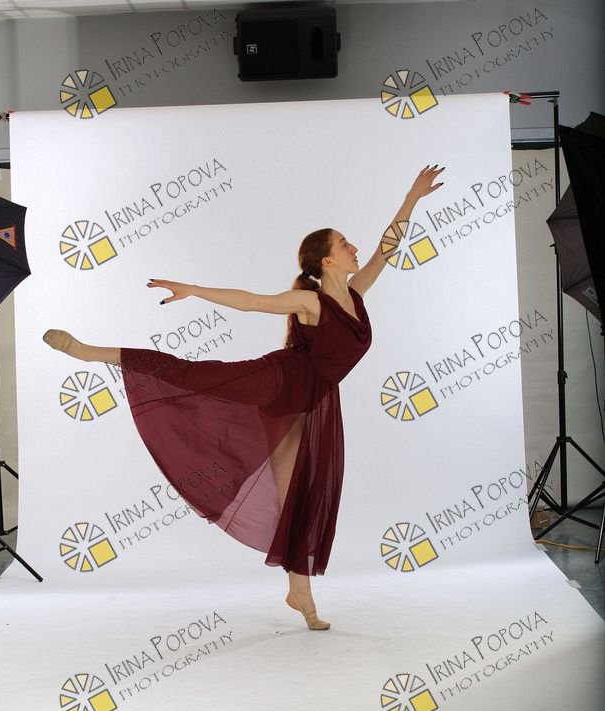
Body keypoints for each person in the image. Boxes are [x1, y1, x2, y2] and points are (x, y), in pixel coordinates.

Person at [44, 165, 444, 630]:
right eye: (344, 244)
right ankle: (90, 351)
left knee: (300, 496)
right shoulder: (312, 303)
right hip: (280, 381)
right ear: (327, 261)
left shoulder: (356, 293)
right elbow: (252, 301)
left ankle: (299, 593)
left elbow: (387, 248)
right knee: (194, 375)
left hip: (313, 403)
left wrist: (412, 197)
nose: (355, 248)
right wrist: (193, 290)